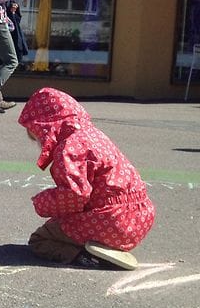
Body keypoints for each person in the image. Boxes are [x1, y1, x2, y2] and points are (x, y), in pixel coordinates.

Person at [17, 88, 155, 270]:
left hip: (110, 220)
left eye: (38, 138)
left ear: (47, 128)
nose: (40, 143)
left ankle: (87, 256)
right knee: (61, 224)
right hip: (139, 218)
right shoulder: (94, 135)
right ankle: (105, 246)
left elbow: (74, 195)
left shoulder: (69, 147)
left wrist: (42, 203)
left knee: (41, 239)